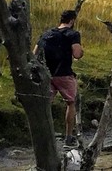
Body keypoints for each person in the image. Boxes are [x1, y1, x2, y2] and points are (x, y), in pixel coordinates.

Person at [34, 10, 84, 147]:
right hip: (64, 74)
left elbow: (34, 53)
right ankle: (68, 137)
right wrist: (81, 51)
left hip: (46, 74)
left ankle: (43, 136)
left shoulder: (46, 34)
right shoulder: (73, 34)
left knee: (45, 105)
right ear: (72, 21)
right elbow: (77, 54)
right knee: (70, 103)